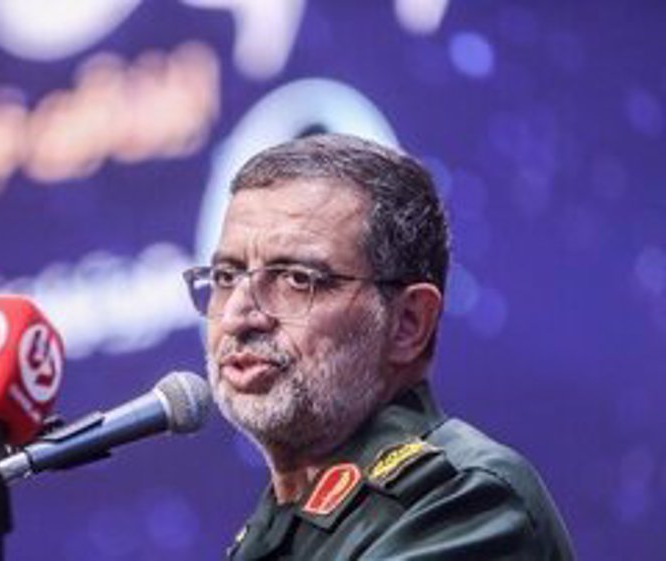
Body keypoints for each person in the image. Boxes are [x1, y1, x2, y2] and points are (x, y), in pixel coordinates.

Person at [182, 133, 574, 560]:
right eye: (225, 277)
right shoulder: (279, 525)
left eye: (297, 279)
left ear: (408, 323)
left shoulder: (466, 502)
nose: (239, 316)